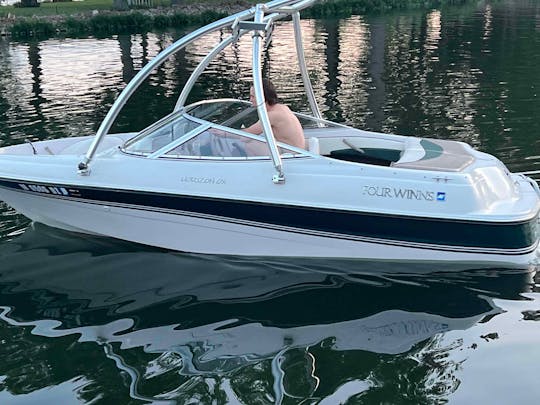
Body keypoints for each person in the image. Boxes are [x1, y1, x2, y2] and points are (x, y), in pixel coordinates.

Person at [244, 79, 306, 150]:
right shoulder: (282, 107)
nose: (250, 100)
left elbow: (246, 136)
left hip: (292, 154)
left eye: (253, 97)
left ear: (263, 97)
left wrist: (229, 134)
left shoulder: (272, 115)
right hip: (295, 149)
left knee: (249, 145)